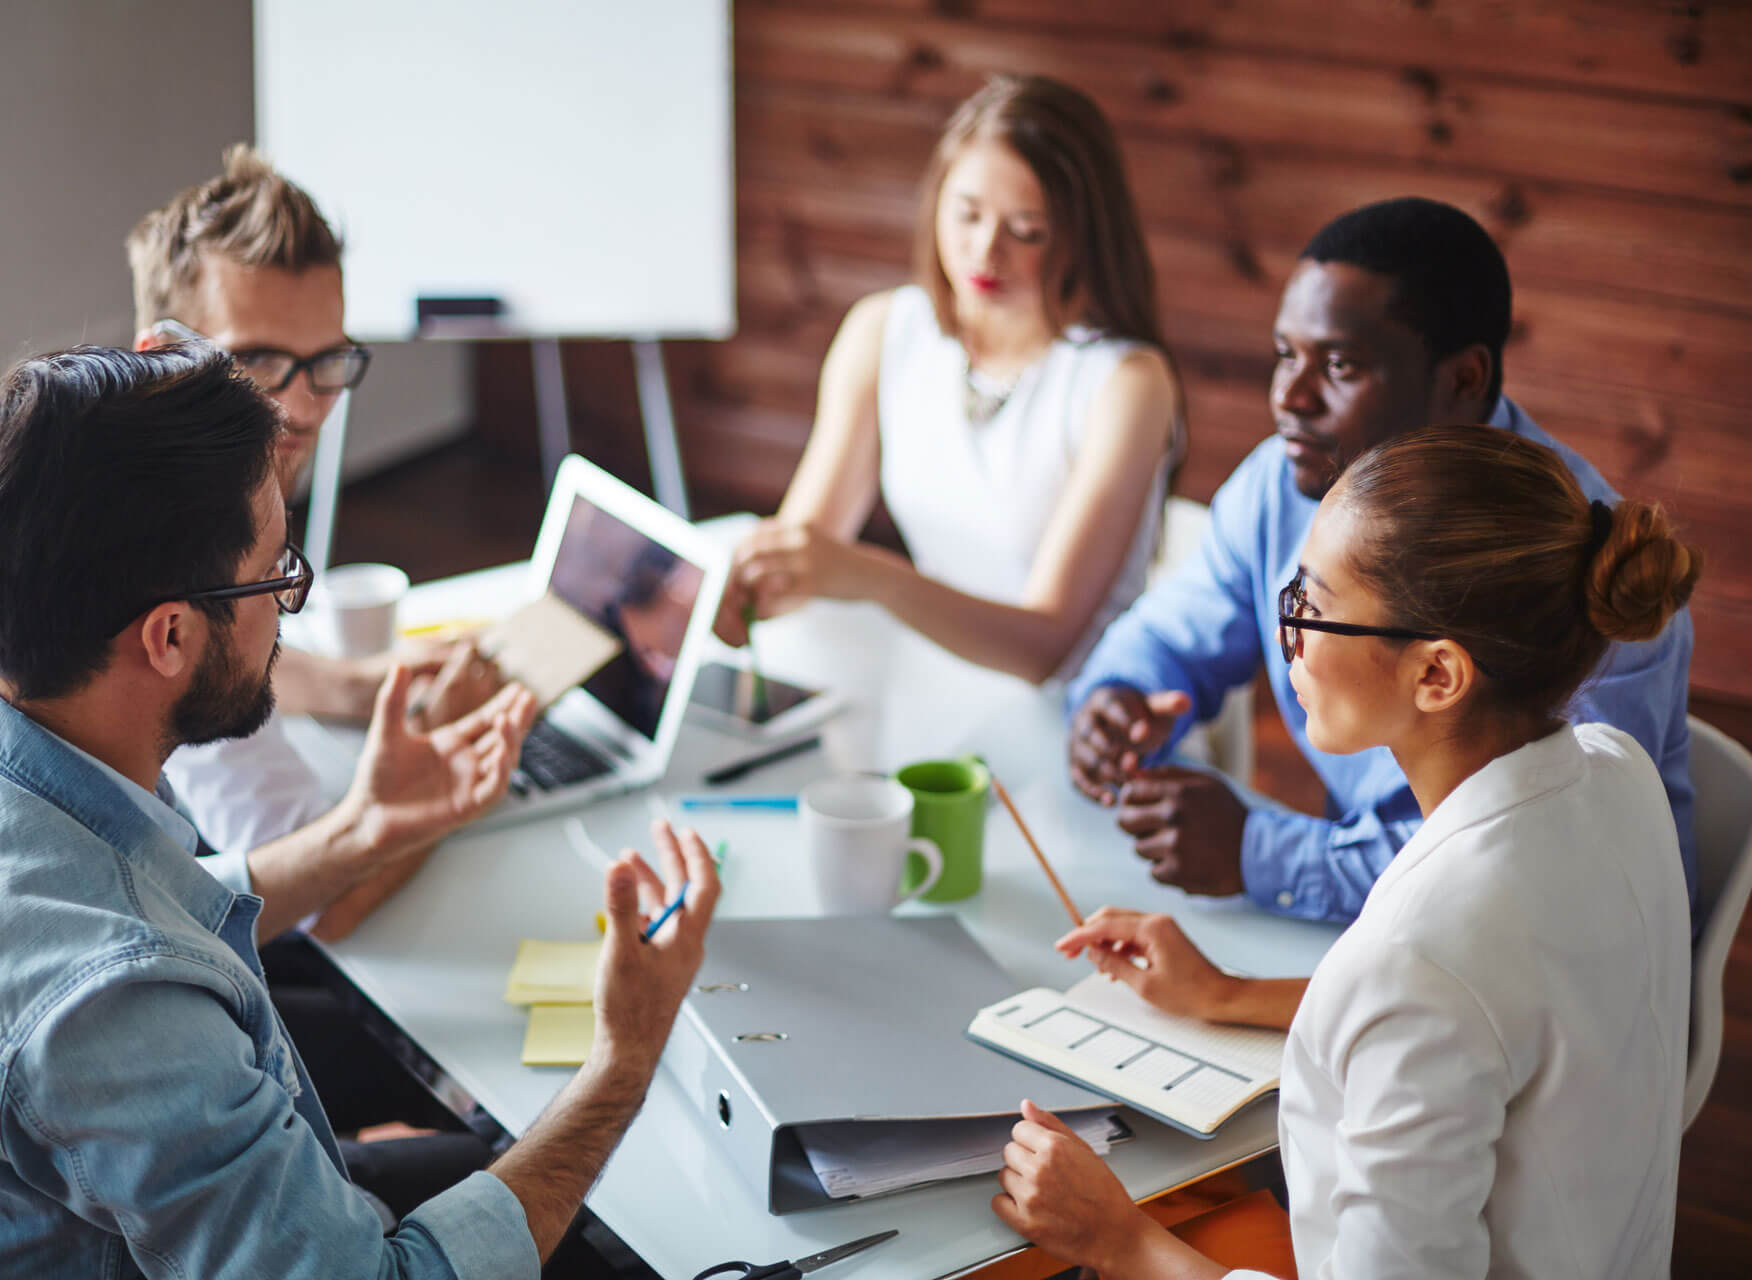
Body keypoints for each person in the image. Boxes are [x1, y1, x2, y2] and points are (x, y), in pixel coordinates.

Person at [0, 344, 721, 1277]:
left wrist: (366, 829)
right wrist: (625, 1058)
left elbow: (109, 910)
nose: (288, 607)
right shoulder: (114, 1012)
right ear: (169, 635)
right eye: (276, 574)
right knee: (621, 1232)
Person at [996, 424, 1699, 1277]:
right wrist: (1225, 992)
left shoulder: (1421, 953)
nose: (1286, 630)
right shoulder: (1618, 776)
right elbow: (1491, 1024)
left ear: (1436, 675)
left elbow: (1437, 996)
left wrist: (1118, 1238)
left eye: (1314, 606)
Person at [0, 144, 491, 931]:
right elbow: (323, 901)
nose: (304, 408)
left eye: (325, 361)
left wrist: (362, 687)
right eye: (257, 360)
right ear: (163, 355)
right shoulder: (175, 566)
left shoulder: (55, 484)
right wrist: (443, 768)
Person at [1067, 197, 1696, 921]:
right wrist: (1116, 699)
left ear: (1462, 379)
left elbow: (1535, 869)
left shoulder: (1576, 565)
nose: (1288, 397)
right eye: (1284, 355)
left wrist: (1262, 853)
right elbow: (1175, 630)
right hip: (1399, 931)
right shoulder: (1283, 480)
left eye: (1338, 364)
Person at [718, 74, 1181, 684]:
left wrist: (867, 575)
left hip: (1086, 714)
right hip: (938, 679)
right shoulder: (884, 330)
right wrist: (730, 594)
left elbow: (1044, 647)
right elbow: (806, 551)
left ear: (1081, 236)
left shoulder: (1127, 384)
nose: (986, 252)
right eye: (966, 214)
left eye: (1026, 232)